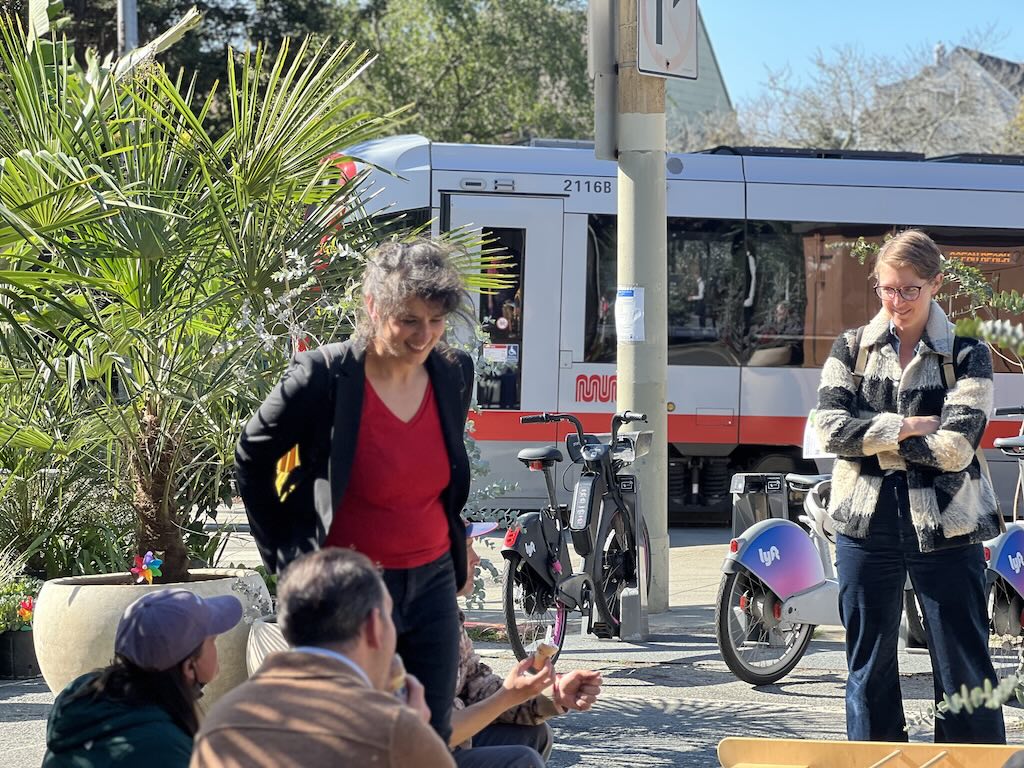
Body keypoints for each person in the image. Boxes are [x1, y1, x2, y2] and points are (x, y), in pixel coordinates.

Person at [235, 239, 475, 742]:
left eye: (435, 322)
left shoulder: (453, 372)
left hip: (432, 581)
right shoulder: (324, 376)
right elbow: (254, 455)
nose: (423, 336)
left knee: (429, 731)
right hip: (351, 588)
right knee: (350, 736)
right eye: (408, 320)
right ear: (372, 306)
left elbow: (444, 475)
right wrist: (288, 559)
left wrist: (462, 541)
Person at [814, 229, 1005, 744]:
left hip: (948, 525)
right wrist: (901, 428)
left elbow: (957, 448)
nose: (896, 301)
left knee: (964, 666)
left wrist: (869, 436)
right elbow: (826, 429)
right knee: (868, 668)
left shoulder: (968, 354)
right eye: (886, 288)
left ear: (936, 284)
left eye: (909, 289)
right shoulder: (851, 348)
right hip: (862, 525)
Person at [191, 548, 455, 768]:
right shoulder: (393, 729)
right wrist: (416, 734)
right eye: (388, 615)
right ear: (374, 626)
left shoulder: (221, 721)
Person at [452, 522, 604, 767]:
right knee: (522, 759)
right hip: (416, 753)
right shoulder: (414, 623)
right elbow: (427, 733)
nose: (477, 559)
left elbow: (476, 687)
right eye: (468, 547)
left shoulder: (447, 614)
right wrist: (507, 697)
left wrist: (552, 695)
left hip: (447, 742)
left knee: (533, 735)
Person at [42, 589, 242, 768]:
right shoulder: (163, 749)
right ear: (189, 666)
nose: (216, 647)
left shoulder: (83, 698)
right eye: (213, 640)